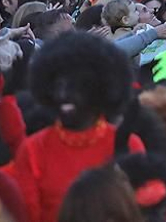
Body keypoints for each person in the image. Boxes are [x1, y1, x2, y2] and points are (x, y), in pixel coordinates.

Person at [9, 33, 144, 222]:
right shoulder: (33, 150)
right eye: (58, 85)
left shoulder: (128, 145)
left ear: (100, 88)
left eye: (77, 85)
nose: (64, 94)